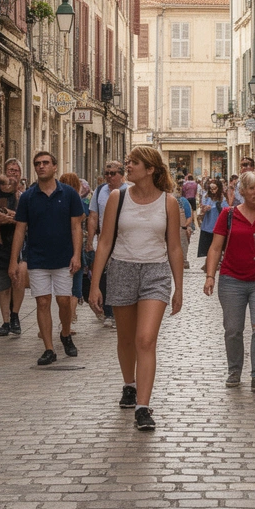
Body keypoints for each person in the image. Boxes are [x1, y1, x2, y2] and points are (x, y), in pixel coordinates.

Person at [89, 146, 184, 431]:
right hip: (122, 269)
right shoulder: (117, 198)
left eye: (134, 163)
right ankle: (129, 384)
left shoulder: (168, 202)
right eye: (128, 162)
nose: (127, 166)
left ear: (150, 169)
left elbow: (174, 247)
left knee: (145, 340)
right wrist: (94, 284)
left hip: (155, 272)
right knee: (126, 339)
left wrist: (179, 288)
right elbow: (105, 242)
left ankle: (143, 406)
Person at [10, 151, 85, 366]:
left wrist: (76, 255)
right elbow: (20, 230)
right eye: (37, 163)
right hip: (37, 259)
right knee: (42, 302)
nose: (41, 166)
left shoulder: (69, 194)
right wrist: (13, 261)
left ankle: (65, 333)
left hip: (63, 258)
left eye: (45, 163)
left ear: (54, 167)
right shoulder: (28, 197)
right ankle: (49, 348)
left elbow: (76, 227)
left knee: (64, 301)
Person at [203, 170, 255, 394]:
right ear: (242, 191)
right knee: (233, 329)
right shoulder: (229, 214)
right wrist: (210, 276)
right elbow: (215, 248)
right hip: (231, 279)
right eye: (251, 188)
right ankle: (234, 371)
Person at [0, 160, 26, 333]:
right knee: (3, 286)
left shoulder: (24, 197)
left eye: (16, 170)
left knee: (18, 281)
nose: (13, 173)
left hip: (19, 246)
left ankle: (15, 315)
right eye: (10, 170)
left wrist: (14, 218)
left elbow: (29, 221)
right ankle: (6, 321)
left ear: (20, 174)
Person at [86, 161, 128, 328]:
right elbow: (93, 216)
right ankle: (109, 312)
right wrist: (90, 241)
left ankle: (121, 311)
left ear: (121, 175)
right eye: (107, 173)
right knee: (105, 277)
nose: (109, 177)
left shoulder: (129, 191)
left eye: (113, 173)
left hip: (124, 242)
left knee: (121, 277)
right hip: (104, 241)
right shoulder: (99, 191)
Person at [60, 172, 89, 330]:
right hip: (77, 248)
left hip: (61, 249)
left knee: (61, 289)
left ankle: (65, 321)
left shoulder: (58, 202)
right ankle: (69, 321)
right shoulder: (80, 202)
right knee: (75, 288)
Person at [196, 178, 227, 259]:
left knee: (218, 247)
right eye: (211, 189)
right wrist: (204, 208)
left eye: (214, 188)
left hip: (217, 225)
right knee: (208, 248)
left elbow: (225, 210)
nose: (212, 191)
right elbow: (202, 209)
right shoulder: (206, 196)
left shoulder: (222, 198)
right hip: (207, 225)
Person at [176, 187, 194, 267]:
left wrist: (184, 227)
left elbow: (189, 217)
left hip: (182, 229)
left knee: (182, 246)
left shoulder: (183, 201)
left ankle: (183, 261)